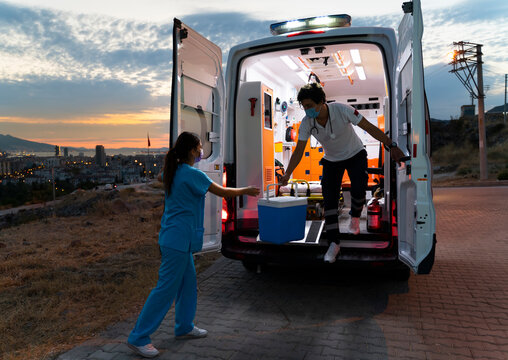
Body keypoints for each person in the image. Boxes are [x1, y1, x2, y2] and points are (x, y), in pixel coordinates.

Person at [127, 131, 259, 358]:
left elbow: (161, 179)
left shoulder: (173, 171)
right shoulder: (190, 173)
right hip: (177, 240)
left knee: (188, 285)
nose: (201, 151)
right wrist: (247, 190)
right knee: (165, 290)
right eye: (199, 147)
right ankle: (139, 337)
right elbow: (223, 192)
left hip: (176, 238)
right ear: (190, 150)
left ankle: (184, 326)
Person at [280, 83, 405, 264]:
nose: (307, 110)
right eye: (304, 106)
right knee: (329, 198)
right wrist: (287, 174)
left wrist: (391, 145)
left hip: (355, 153)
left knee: (359, 186)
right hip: (331, 160)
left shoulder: (341, 110)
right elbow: (299, 151)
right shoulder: (308, 122)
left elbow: (369, 127)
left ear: (321, 101)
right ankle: (334, 243)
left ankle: (355, 218)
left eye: (309, 106)